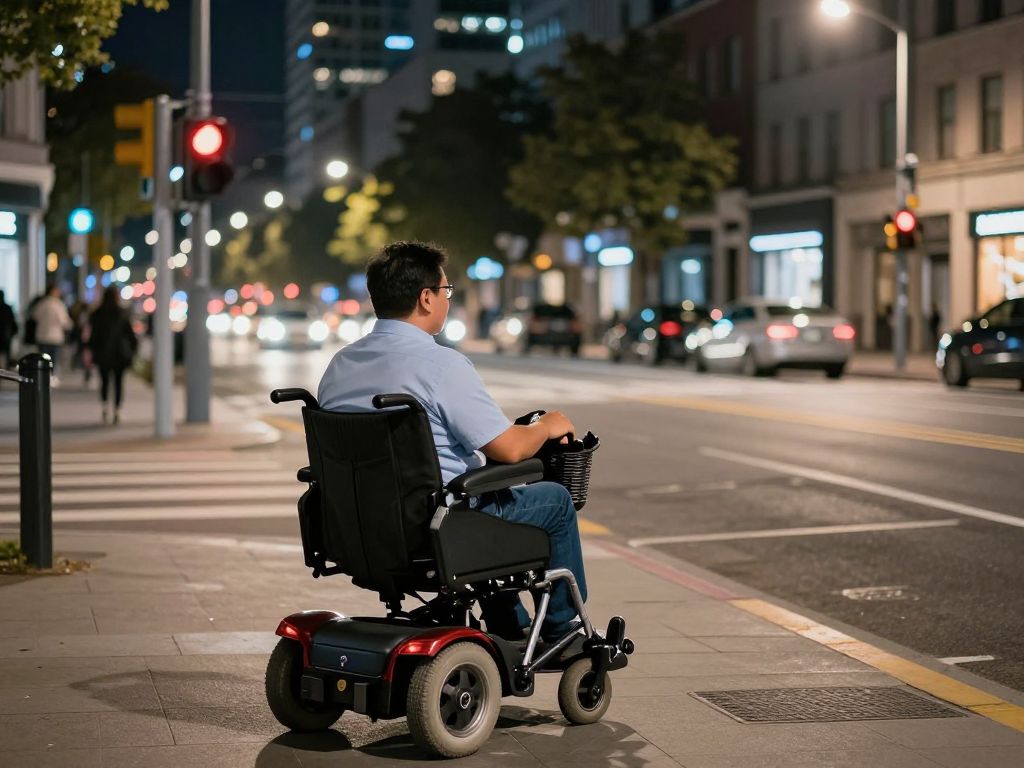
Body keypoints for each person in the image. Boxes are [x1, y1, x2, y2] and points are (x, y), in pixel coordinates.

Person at [318, 241, 587, 642]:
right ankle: (562, 628)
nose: (447, 299)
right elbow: (510, 448)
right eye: (446, 291)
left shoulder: (341, 364)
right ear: (426, 298)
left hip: (358, 525)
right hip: (435, 523)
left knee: (486, 485)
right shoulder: (441, 364)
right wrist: (547, 426)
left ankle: (509, 621)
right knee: (554, 501)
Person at [88, 286, 137, 424]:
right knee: (118, 382)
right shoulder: (121, 313)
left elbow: (93, 336)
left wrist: (92, 350)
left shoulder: (97, 314)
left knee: (104, 381)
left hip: (103, 353)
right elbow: (131, 335)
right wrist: (132, 350)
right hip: (119, 354)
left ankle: (104, 407)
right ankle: (117, 410)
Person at [31, 284, 72, 380]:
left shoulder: (41, 303)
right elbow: (65, 322)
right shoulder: (58, 305)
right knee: (53, 359)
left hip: (41, 335)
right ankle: (51, 376)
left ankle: (42, 376)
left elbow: (34, 317)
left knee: (42, 359)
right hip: (55, 336)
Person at [0, 290, 18, 369]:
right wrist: (14, 331)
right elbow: (12, 321)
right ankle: (6, 367)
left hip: (5, 333)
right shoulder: (7, 307)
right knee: (7, 353)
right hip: (6, 334)